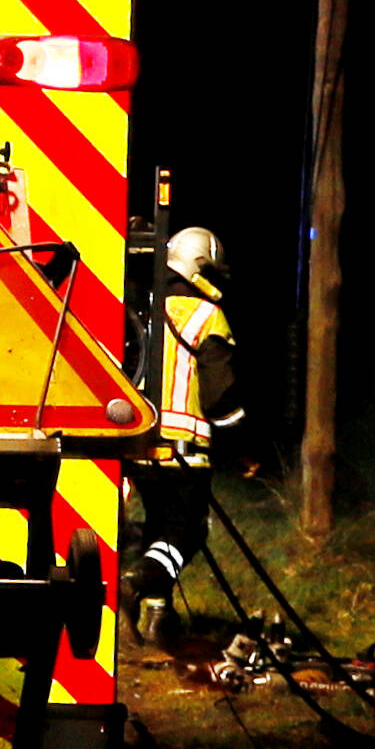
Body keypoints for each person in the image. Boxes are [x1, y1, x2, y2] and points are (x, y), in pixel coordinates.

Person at [133, 224, 241, 640]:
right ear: (200, 269)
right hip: (184, 451)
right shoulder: (208, 316)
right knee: (189, 531)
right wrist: (243, 446)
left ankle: (158, 617)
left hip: (140, 447)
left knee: (159, 529)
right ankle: (137, 582)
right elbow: (219, 398)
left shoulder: (142, 308)